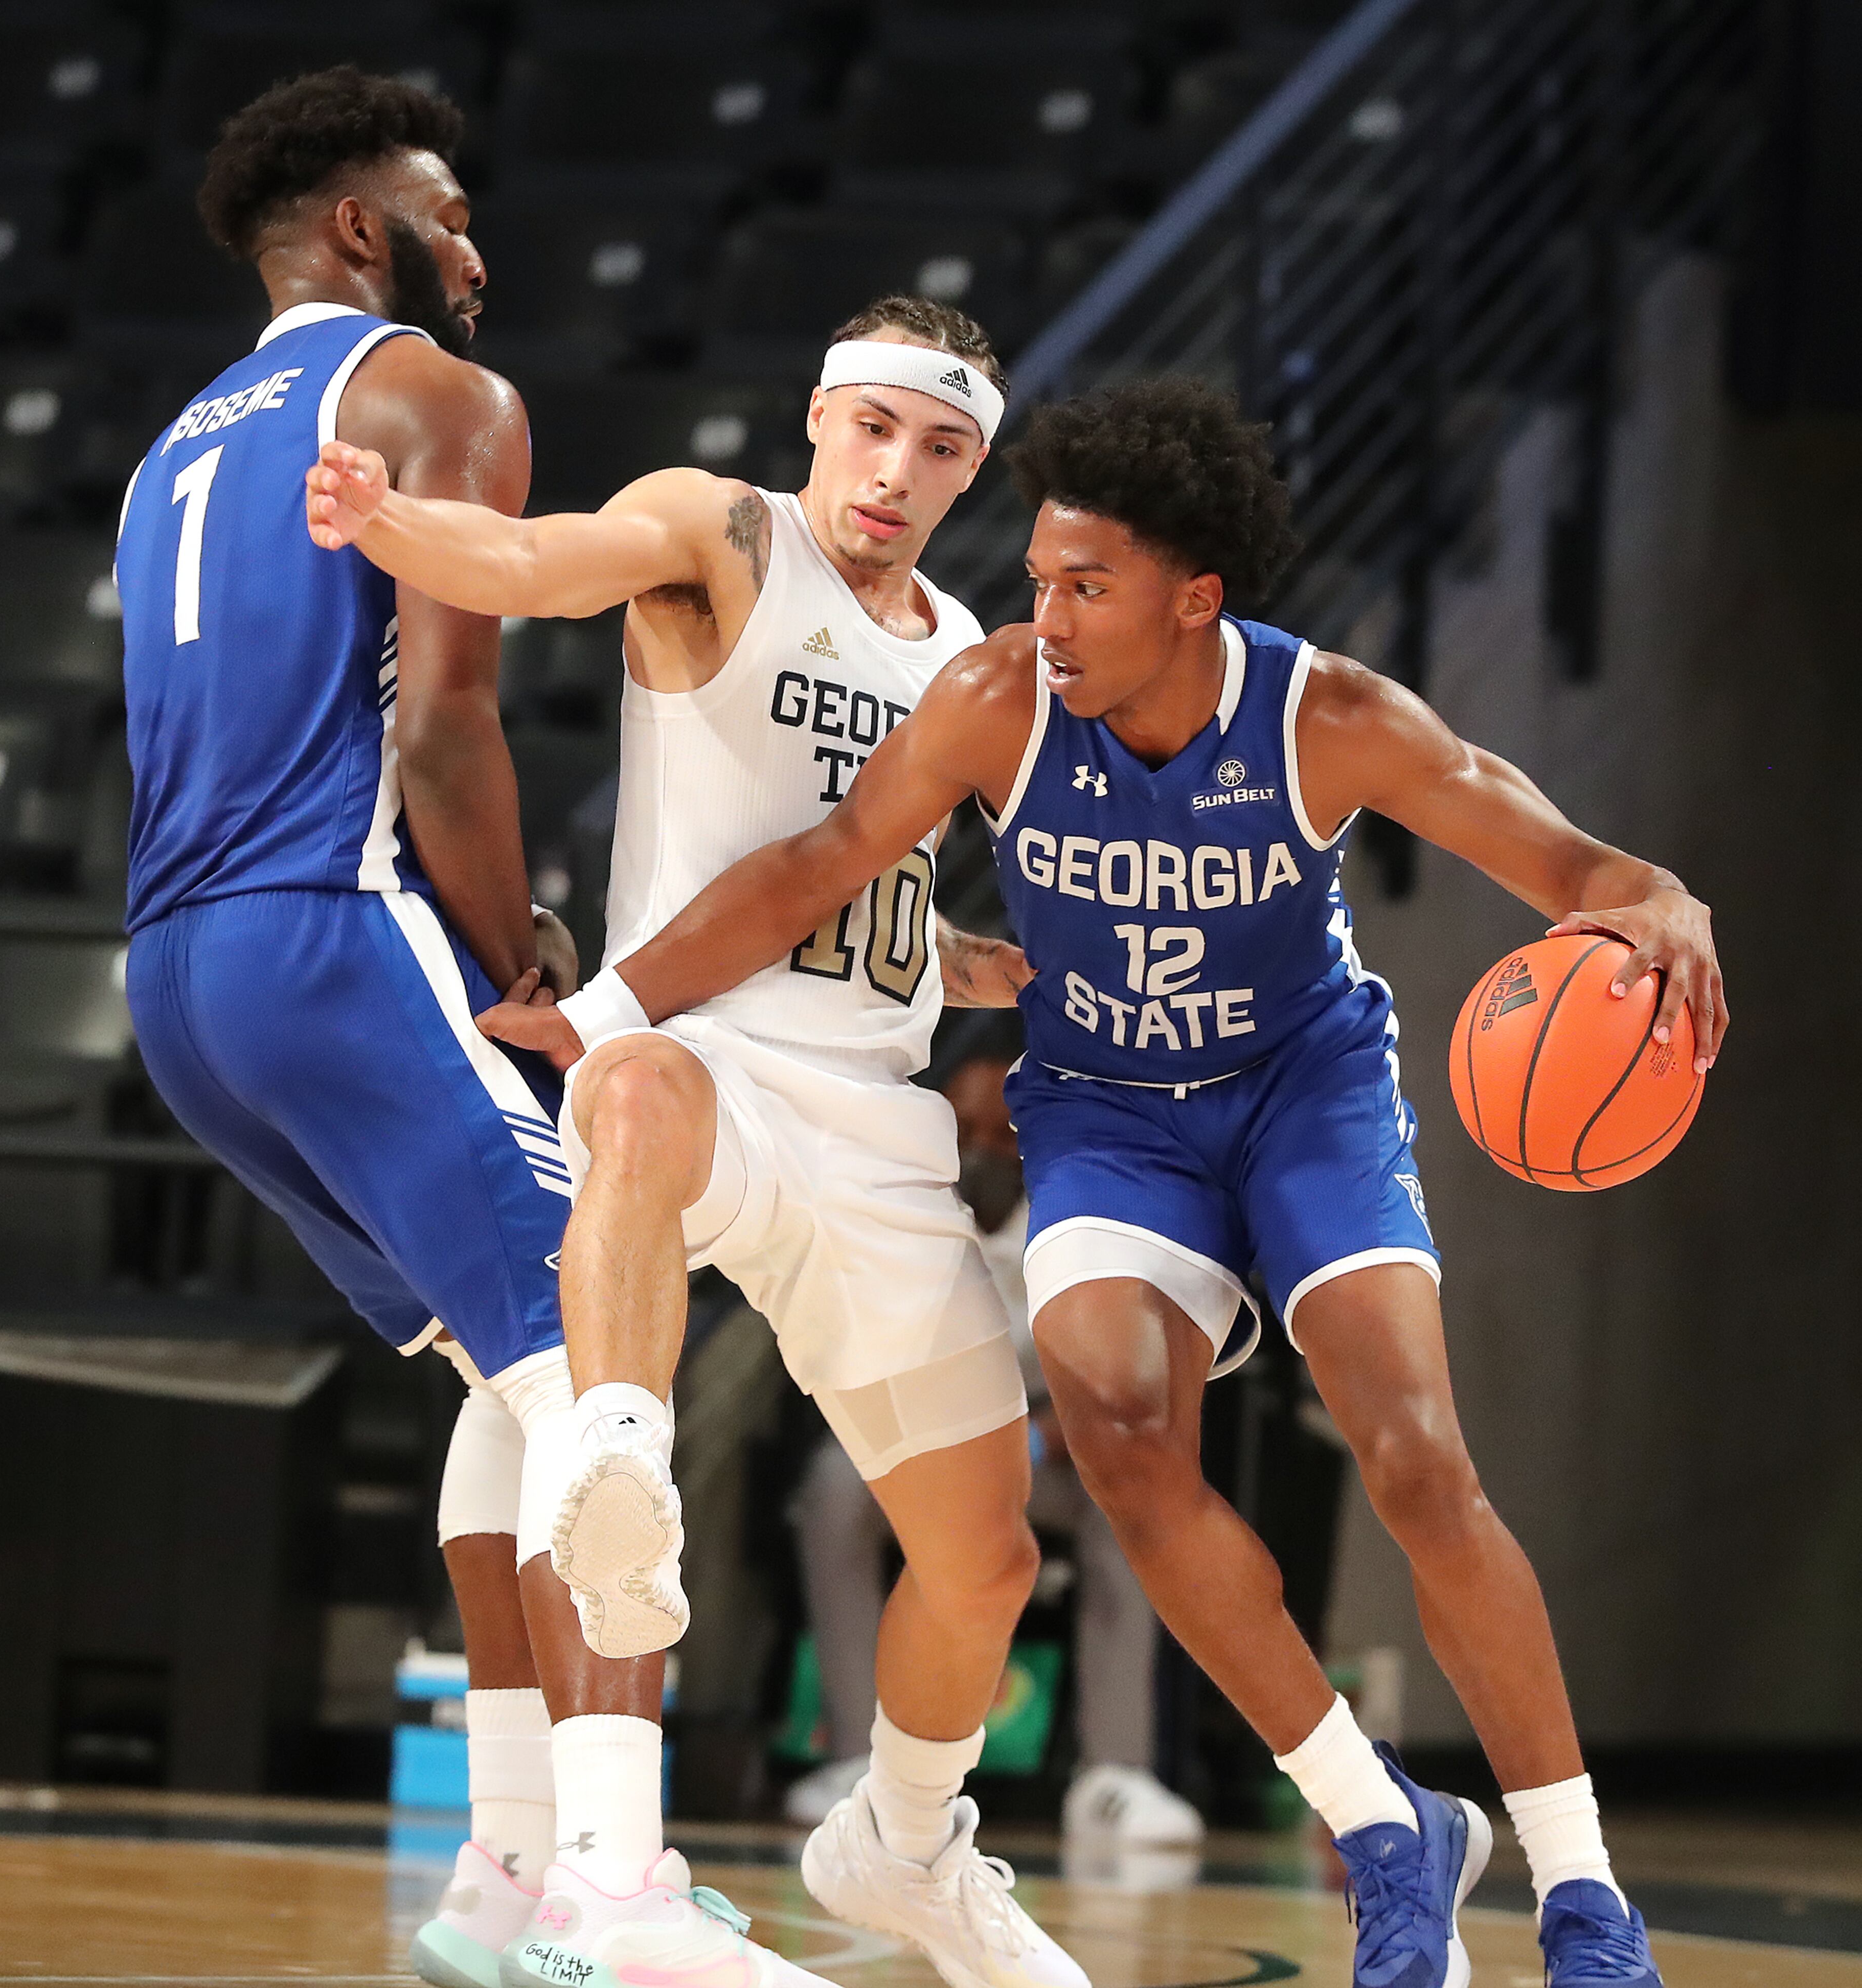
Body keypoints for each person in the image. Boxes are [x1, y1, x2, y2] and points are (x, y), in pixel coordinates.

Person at [473, 379, 1728, 1988]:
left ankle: (1583, 1892)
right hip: (1111, 1108)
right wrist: (600, 1015)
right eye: (1040, 577)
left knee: (1416, 1458)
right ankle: (1384, 1823)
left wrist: (1661, 895)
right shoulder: (999, 701)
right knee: (1122, 1437)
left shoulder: (1328, 715)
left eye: (1087, 586)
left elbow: (1575, 873)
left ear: (1194, 599)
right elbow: (813, 870)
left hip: (1301, 1096)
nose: (1043, 613)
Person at [116, 68, 824, 1988]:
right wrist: (529, 962)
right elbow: (440, 726)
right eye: (445, 207)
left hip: (178, 979)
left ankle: (504, 1886)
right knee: (608, 1360)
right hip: (332, 935)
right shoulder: (433, 399)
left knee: (504, 1372)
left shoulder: (174, 443)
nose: (478, 247)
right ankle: (617, 1888)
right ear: (361, 229)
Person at [307, 300, 1088, 1988]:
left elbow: (844, 864)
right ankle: (590, 1759)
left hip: (878, 1133)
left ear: (975, 471)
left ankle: (904, 1844)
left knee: (988, 1554)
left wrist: (938, 956)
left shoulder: (961, 644)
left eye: (940, 446)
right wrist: (388, 518)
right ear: (819, 419)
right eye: (873, 427)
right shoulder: (723, 536)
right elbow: (532, 558)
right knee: (625, 1116)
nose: (897, 469)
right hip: (710, 1072)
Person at [786, 1050, 1205, 1851]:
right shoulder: (898, 1211)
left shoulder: (1074, 1216)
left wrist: (1042, 1436)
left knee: (1132, 1495)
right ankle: (857, 1758)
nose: (979, 1149)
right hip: (925, 1443)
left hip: (1047, 1454)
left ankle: (1116, 1773)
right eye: (962, 1131)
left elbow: (1120, 1376)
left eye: (997, 1132)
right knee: (833, 1485)